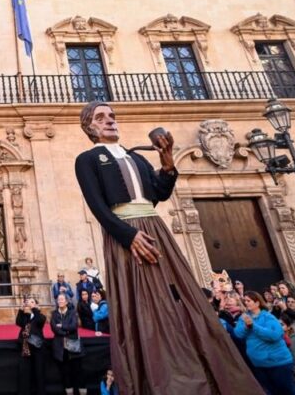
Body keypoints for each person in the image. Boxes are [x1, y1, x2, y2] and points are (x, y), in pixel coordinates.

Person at [73, 101, 261, 394]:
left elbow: (159, 193)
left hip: (155, 228)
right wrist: (128, 237)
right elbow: (98, 206)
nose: (110, 120)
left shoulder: (136, 157)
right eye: (100, 117)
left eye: (112, 115)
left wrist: (168, 160)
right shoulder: (87, 159)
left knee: (183, 293)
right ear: (90, 127)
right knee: (143, 301)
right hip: (127, 234)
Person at [50, 293, 82, 395]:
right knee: (65, 373)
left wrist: (62, 326)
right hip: (60, 348)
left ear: (67, 301)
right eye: (58, 299)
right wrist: (66, 331)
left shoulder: (72, 312)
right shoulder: (54, 314)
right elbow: (54, 328)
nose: (59, 301)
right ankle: (69, 392)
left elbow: (73, 326)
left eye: (62, 299)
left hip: (72, 347)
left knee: (76, 372)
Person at [16, 297, 47, 395]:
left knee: (39, 373)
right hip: (26, 348)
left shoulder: (41, 316)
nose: (30, 303)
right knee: (25, 374)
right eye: (29, 302)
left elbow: (39, 321)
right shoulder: (26, 316)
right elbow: (18, 322)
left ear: (37, 305)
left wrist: (34, 308)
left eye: (33, 302)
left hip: (37, 348)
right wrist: (21, 309)